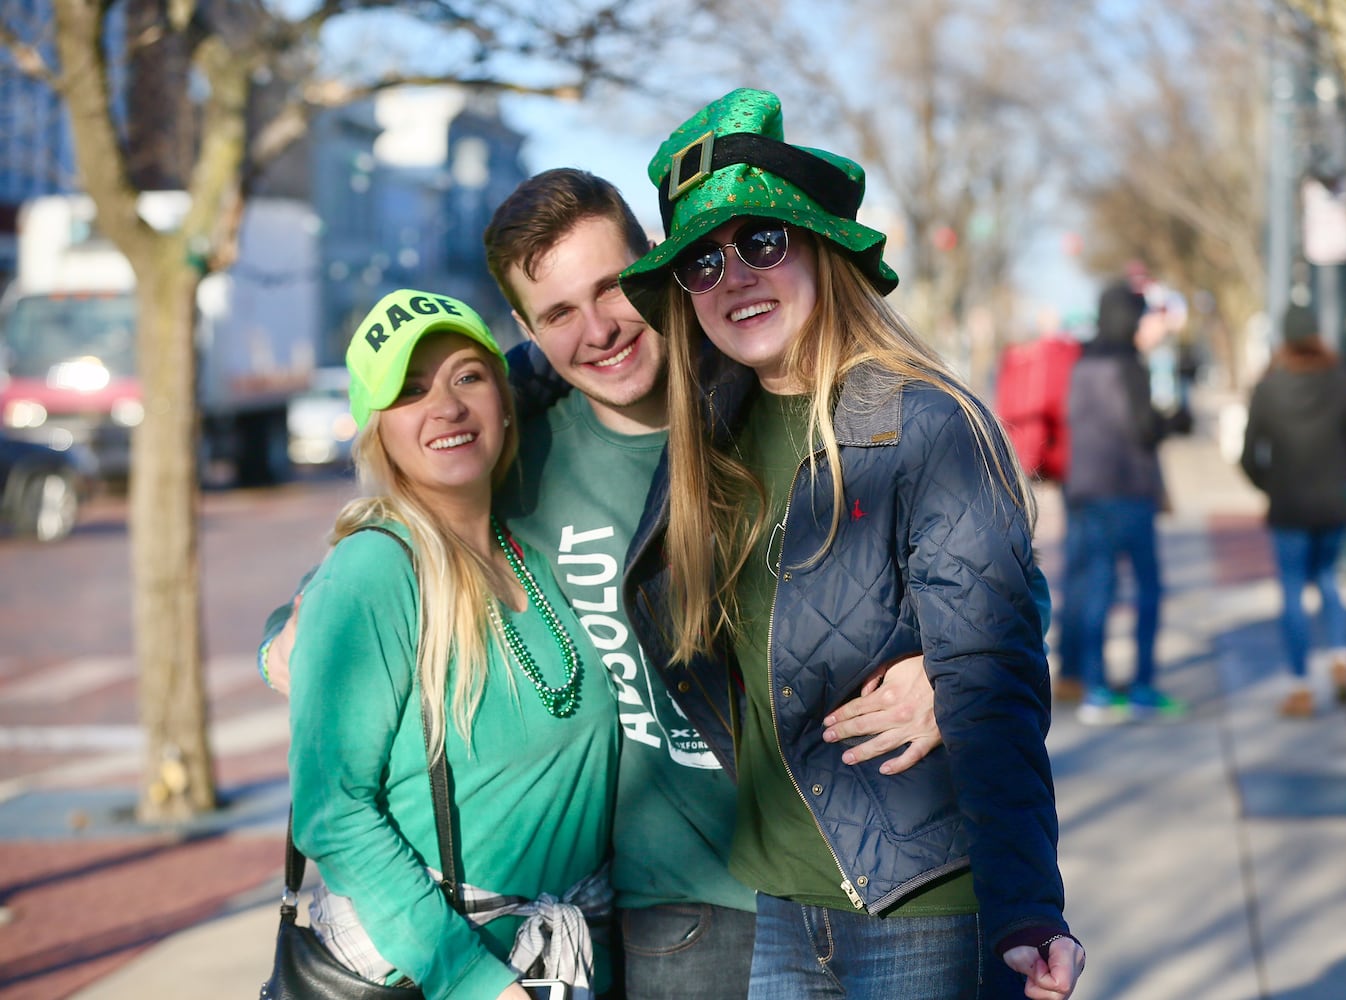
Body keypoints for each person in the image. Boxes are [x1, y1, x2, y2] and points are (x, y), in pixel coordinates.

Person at [263, 168, 944, 1000]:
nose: (598, 331)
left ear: (654, 264)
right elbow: (364, 573)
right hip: (682, 913)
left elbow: (966, 552)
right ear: (526, 329)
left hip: (860, 876)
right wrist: (279, 641)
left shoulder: (768, 392)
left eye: (612, 288)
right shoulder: (520, 453)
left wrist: (942, 666)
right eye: (557, 314)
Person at [617, 88, 1082, 1000]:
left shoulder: (925, 424)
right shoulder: (707, 436)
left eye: (760, 242)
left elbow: (994, 678)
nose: (733, 276)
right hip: (783, 906)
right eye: (701, 264)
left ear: (822, 249)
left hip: (922, 911)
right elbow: (558, 361)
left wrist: (1030, 908)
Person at [287, 289, 617, 997]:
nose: (446, 407)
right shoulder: (374, 569)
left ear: (502, 398)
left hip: (560, 958)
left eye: (467, 375)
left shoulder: (531, 543)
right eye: (409, 391)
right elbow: (332, 812)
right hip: (447, 968)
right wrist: (471, 981)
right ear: (377, 428)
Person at [1064, 279, 1184, 725]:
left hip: (1087, 490)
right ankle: (1143, 686)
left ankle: (1095, 687)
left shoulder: (1082, 363)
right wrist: (1175, 420)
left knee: (1098, 588)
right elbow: (1144, 429)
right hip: (1129, 490)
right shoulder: (1128, 365)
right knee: (1148, 589)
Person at [1240, 303, 1346, 717]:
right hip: (1335, 503)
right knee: (1331, 582)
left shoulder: (1269, 388)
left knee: (1292, 591)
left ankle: (1300, 687)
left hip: (1288, 506)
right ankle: (1343, 659)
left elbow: (1249, 454)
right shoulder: (1341, 381)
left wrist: (1270, 485)